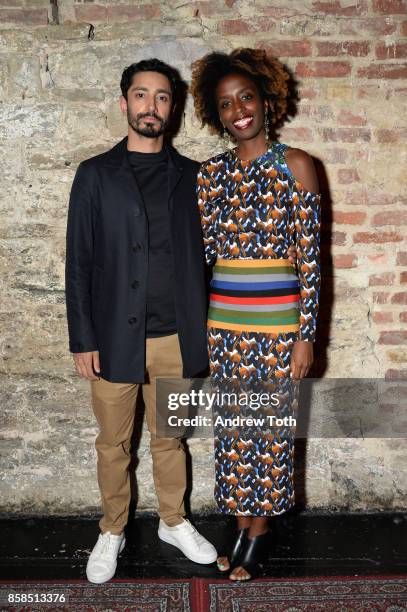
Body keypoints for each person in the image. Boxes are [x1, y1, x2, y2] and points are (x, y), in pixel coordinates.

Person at [65, 58, 219, 584]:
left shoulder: (196, 177)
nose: (150, 106)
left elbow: (214, 259)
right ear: (124, 101)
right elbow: (79, 262)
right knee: (113, 443)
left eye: (161, 97)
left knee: (169, 439)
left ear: (171, 109)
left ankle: (173, 521)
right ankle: (113, 528)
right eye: (140, 95)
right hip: (112, 340)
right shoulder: (94, 175)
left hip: (178, 338)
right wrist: (82, 337)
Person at [190, 48, 321, 581]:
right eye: (226, 104)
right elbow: (202, 260)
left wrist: (306, 335)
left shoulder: (297, 166)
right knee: (235, 431)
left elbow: (311, 260)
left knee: (269, 430)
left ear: (267, 100)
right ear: (214, 113)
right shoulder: (209, 177)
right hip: (225, 324)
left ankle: (261, 529)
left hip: (278, 326)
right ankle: (243, 522)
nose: (238, 110)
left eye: (246, 97)